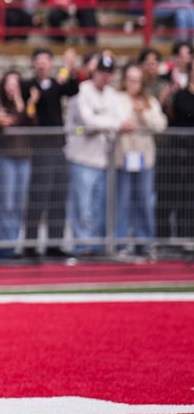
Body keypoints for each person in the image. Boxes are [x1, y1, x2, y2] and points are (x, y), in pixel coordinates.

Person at [65, 54, 129, 257]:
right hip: (82, 158)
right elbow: (89, 122)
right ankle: (83, 246)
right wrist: (112, 124)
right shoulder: (83, 91)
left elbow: (119, 118)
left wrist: (107, 122)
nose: (106, 77)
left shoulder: (110, 94)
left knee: (100, 207)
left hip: (103, 159)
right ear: (95, 72)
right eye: (102, 72)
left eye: (109, 73)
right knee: (83, 207)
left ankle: (97, 247)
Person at [22, 48, 79, 258]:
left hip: (58, 146)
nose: (43, 64)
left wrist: (71, 69)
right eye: (39, 60)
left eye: (46, 60)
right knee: (39, 196)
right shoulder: (29, 85)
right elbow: (40, 101)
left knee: (58, 195)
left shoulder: (56, 84)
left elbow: (72, 89)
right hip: (40, 147)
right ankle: (30, 243)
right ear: (33, 64)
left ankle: (55, 242)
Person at [114, 63, 168, 258]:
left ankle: (144, 242)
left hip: (145, 159)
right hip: (123, 157)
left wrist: (143, 112)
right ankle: (121, 243)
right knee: (123, 202)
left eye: (137, 80)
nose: (134, 84)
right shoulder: (117, 99)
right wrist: (125, 121)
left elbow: (161, 124)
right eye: (130, 80)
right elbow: (115, 119)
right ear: (124, 81)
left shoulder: (150, 101)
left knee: (144, 200)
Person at [0, 71, 35, 260]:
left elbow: (29, 121)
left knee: (19, 204)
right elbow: (7, 123)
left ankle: (14, 244)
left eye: (15, 83)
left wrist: (22, 101)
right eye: (9, 82)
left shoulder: (26, 105)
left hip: (24, 157)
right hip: (6, 157)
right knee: (6, 203)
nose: (12, 86)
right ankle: (4, 246)